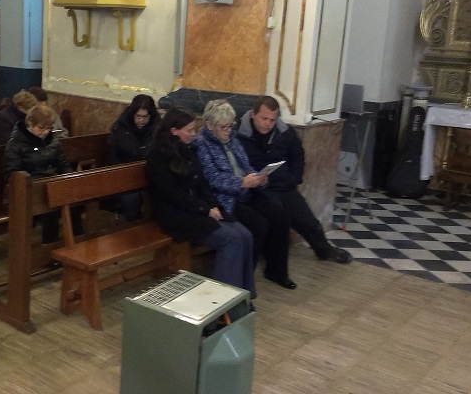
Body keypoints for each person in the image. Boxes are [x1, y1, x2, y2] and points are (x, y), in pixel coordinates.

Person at [145, 107, 255, 294]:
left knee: (246, 235)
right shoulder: (157, 157)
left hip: (198, 209)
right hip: (177, 215)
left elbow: (202, 183)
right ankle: (222, 298)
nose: (193, 134)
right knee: (231, 239)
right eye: (189, 130)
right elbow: (172, 194)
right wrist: (205, 209)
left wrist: (214, 205)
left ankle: (243, 295)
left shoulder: (188, 149)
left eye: (194, 130)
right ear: (174, 131)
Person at [237, 95, 352, 264]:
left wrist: (294, 178)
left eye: (272, 120)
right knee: (278, 216)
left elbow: (297, 155)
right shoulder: (239, 134)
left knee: (307, 220)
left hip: (284, 184)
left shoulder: (285, 132)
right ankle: (272, 261)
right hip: (258, 188)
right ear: (253, 114)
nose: (267, 124)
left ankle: (324, 250)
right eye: (264, 118)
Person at [196, 100, 295, 290]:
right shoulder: (201, 144)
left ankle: (277, 271)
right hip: (225, 198)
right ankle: (243, 283)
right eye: (223, 127)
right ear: (209, 125)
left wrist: (259, 177)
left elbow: (245, 165)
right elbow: (212, 179)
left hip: (246, 190)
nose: (228, 130)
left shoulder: (233, 139)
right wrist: (241, 182)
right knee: (258, 225)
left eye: (231, 125)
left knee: (281, 215)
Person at [4, 103, 82, 243]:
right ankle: (49, 246)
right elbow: (12, 173)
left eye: (49, 128)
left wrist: (69, 178)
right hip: (30, 187)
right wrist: (33, 183)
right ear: (30, 123)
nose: (46, 132)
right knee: (50, 206)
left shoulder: (53, 141)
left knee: (75, 201)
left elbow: (63, 164)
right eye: (41, 128)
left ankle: (77, 242)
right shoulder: (16, 143)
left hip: (53, 183)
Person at [106, 94, 159, 220]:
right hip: (125, 176)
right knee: (130, 198)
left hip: (150, 174)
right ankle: (133, 224)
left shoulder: (157, 128)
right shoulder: (120, 128)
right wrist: (125, 173)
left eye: (145, 117)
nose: (141, 120)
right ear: (132, 114)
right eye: (138, 116)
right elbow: (112, 155)